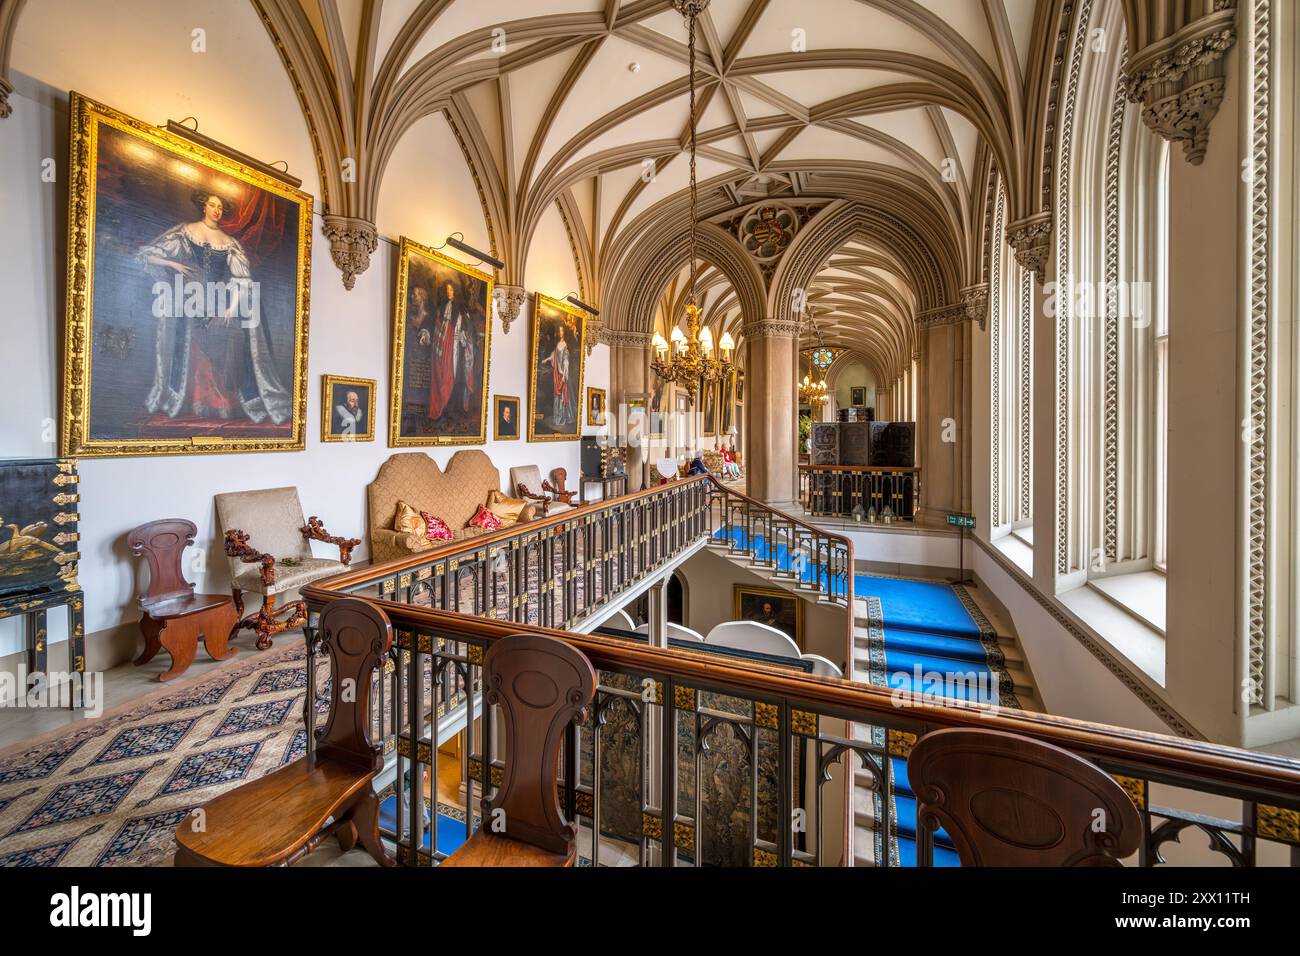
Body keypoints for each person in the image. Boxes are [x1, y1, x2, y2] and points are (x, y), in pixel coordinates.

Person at [138, 190, 290, 424]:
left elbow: (242, 281)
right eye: (212, 205)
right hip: (191, 300)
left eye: (220, 207)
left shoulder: (230, 244)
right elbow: (147, 255)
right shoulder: (185, 232)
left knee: (228, 343)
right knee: (191, 347)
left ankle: (221, 403)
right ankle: (196, 400)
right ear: (204, 206)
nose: (216, 210)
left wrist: (231, 309)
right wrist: (173, 264)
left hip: (221, 302)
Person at [540, 331, 575, 428]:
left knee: (562, 394)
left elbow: (566, 359)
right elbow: (554, 355)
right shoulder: (558, 344)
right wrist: (547, 359)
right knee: (557, 394)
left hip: (562, 373)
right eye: (559, 331)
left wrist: (564, 373)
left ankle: (562, 416)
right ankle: (557, 416)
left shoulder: (565, 345)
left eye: (562, 331)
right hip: (557, 373)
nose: (560, 333)